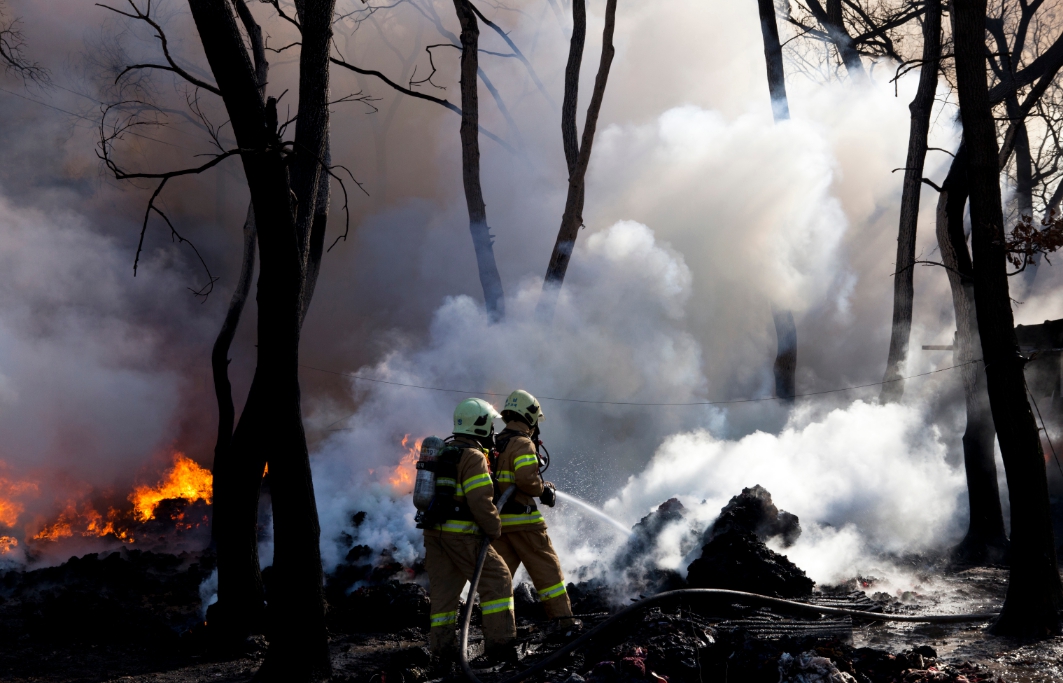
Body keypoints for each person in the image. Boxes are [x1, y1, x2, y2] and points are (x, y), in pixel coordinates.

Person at [423, 397, 517, 664]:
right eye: (490, 425)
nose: (492, 432)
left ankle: (442, 653)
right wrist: (494, 528)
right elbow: (480, 501)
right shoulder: (474, 457)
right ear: (480, 426)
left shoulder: (443, 450)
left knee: (443, 595)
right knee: (498, 581)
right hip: (462, 535)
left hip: (434, 534)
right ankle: (500, 648)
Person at [491, 390, 579, 629]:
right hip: (525, 523)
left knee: (499, 581)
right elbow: (526, 480)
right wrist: (544, 491)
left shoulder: (496, 442)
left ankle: (499, 633)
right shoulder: (522, 443)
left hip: (499, 526)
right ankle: (564, 625)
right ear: (529, 417)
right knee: (549, 574)